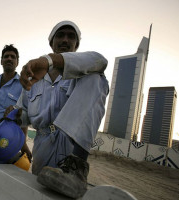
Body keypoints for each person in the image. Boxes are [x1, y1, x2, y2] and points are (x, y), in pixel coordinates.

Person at [14, 21, 109, 198]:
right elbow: (24, 113)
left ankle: (76, 167)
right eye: (60, 35)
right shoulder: (34, 76)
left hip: (70, 144)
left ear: (77, 45)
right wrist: (15, 114)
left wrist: (49, 60)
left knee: (97, 78)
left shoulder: (84, 71)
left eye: (71, 36)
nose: (65, 39)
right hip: (42, 144)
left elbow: (101, 61)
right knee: (39, 192)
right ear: (51, 42)